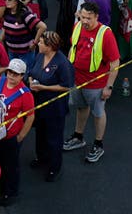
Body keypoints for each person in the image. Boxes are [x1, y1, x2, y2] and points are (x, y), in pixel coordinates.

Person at [61, 2, 119, 164]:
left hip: (96, 84)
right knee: (81, 107)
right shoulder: (77, 26)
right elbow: (73, 48)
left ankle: (98, 144)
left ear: (96, 17)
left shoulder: (105, 34)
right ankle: (78, 136)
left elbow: (115, 62)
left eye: (89, 18)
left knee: (98, 113)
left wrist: (109, 86)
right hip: (77, 80)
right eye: (83, 17)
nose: (85, 21)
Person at [0, 59, 33, 205]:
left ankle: (10, 192)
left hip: (10, 137)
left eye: (16, 74)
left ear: (22, 76)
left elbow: (30, 116)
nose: (11, 76)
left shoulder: (25, 94)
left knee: (10, 165)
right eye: (10, 72)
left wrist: (21, 136)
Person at [28, 30, 73, 183]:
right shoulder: (40, 55)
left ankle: (55, 167)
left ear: (50, 46)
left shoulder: (62, 63)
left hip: (55, 108)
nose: (38, 44)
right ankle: (41, 158)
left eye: (41, 42)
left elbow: (66, 86)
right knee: (40, 133)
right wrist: (31, 81)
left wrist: (44, 88)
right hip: (39, 104)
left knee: (54, 138)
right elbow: (32, 71)